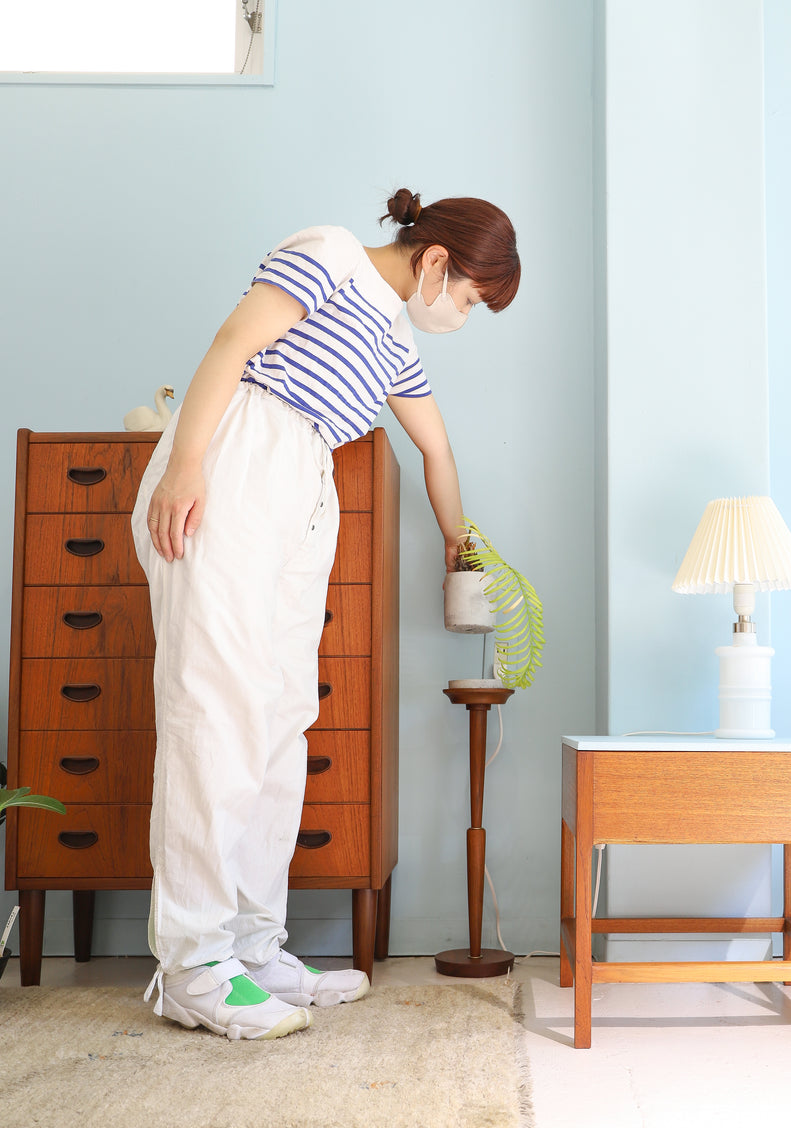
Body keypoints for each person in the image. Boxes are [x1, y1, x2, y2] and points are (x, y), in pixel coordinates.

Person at [131, 189, 521, 1041]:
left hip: (303, 487)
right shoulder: (332, 252)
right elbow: (234, 342)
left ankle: (253, 945)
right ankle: (193, 964)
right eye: (467, 298)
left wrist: (461, 544)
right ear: (434, 262)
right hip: (236, 460)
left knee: (279, 720)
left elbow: (437, 447)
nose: (462, 314)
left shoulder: (394, 339)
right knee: (218, 708)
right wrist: (186, 464)